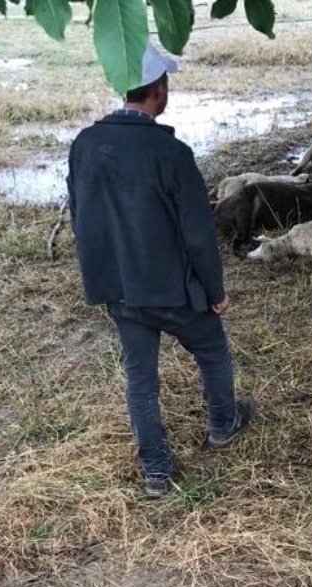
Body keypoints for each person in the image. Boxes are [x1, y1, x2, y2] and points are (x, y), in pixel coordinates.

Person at [66, 44, 256, 498]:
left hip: (120, 290)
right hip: (172, 290)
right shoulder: (171, 152)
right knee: (212, 351)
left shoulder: (84, 145)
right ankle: (223, 423)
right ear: (159, 91)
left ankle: (156, 469)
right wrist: (215, 290)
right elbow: (198, 235)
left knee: (141, 379)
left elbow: (81, 217)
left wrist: (103, 278)